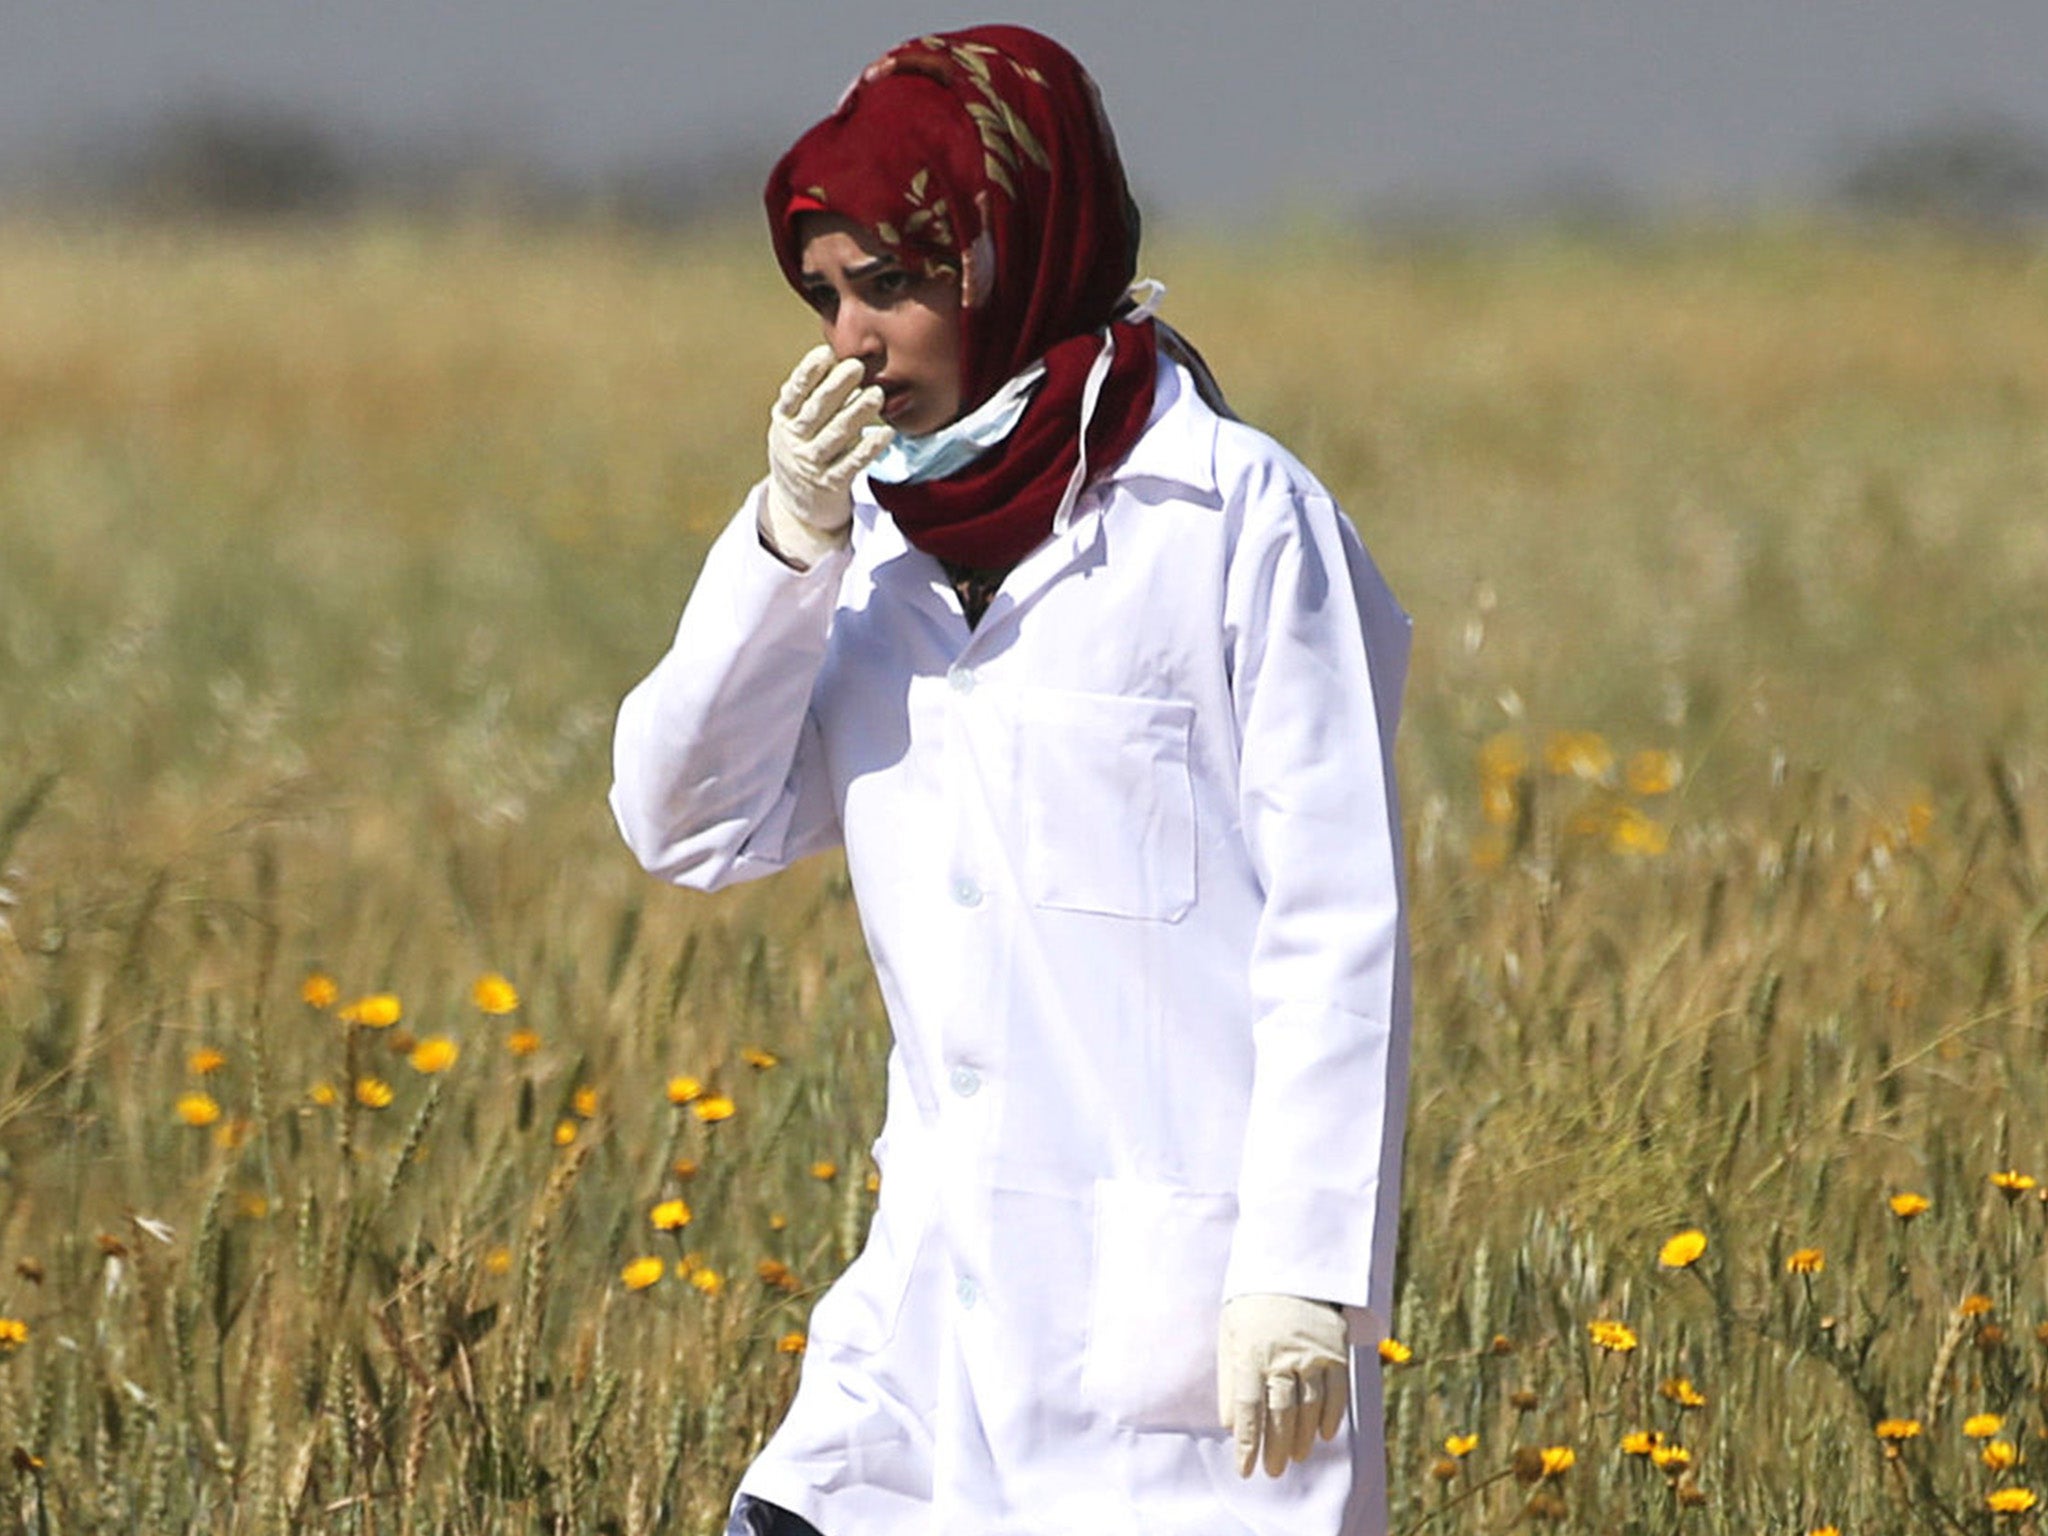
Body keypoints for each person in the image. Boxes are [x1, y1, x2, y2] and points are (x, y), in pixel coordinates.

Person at [609, 24, 1412, 1536]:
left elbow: (1337, 923)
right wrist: (786, 542)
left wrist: (1306, 1272)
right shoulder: (870, 548)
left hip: (1187, 1349)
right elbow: (685, 824)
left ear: (1012, 251)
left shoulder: (1233, 520)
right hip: (919, 1342)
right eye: (825, 296)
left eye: (892, 286)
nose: (850, 339)